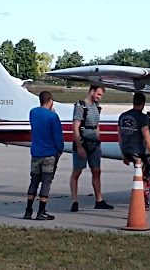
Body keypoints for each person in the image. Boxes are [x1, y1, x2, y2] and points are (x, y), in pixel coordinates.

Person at [70, 85, 113, 212]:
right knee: (77, 172)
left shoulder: (96, 107)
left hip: (93, 143)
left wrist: (99, 144)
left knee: (96, 171)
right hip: (83, 142)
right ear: (92, 91)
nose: (99, 97)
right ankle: (75, 201)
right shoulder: (80, 106)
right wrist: (79, 147)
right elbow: (75, 127)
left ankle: (99, 200)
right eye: (98, 94)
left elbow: (97, 126)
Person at [23, 91, 64, 220]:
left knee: (34, 181)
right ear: (50, 101)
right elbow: (57, 137)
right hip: (49, 153)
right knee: (46, 182)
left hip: (36, 152)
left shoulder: (33, 112)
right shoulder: (53, 117)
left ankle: (28, 210)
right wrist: (59, 149)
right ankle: (41, 211)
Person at [118, 92, 150, 181]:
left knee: (139, 171)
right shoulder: (143, 118)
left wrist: (123, 154)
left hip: (126, 151)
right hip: (138, 152)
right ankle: (144, 187)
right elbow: (147, 137)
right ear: (143, 103)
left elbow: (120, 137)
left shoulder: (122, 116)